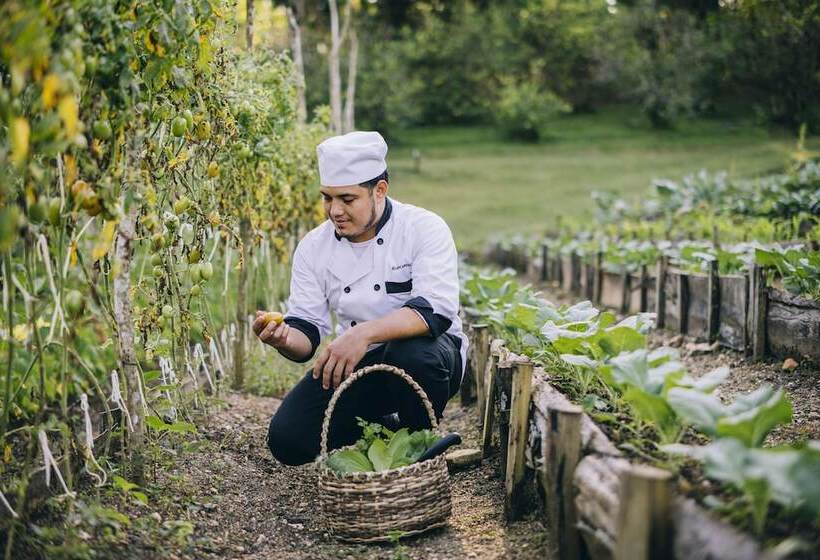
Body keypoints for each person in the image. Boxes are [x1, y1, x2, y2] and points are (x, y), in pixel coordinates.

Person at [255, 131, 468, 466]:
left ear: (379, 190)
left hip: (429, 358)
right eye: (327, 198)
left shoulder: (424, 228)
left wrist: (361, 333)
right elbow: (306, 333)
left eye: (347, 199)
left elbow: (435, 313)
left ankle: (418, 443)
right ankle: (384, 431)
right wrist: (283, 338)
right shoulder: (314, 247)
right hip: (358, 365)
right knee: (288, 439)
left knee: (412, 353)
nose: (334, 211)